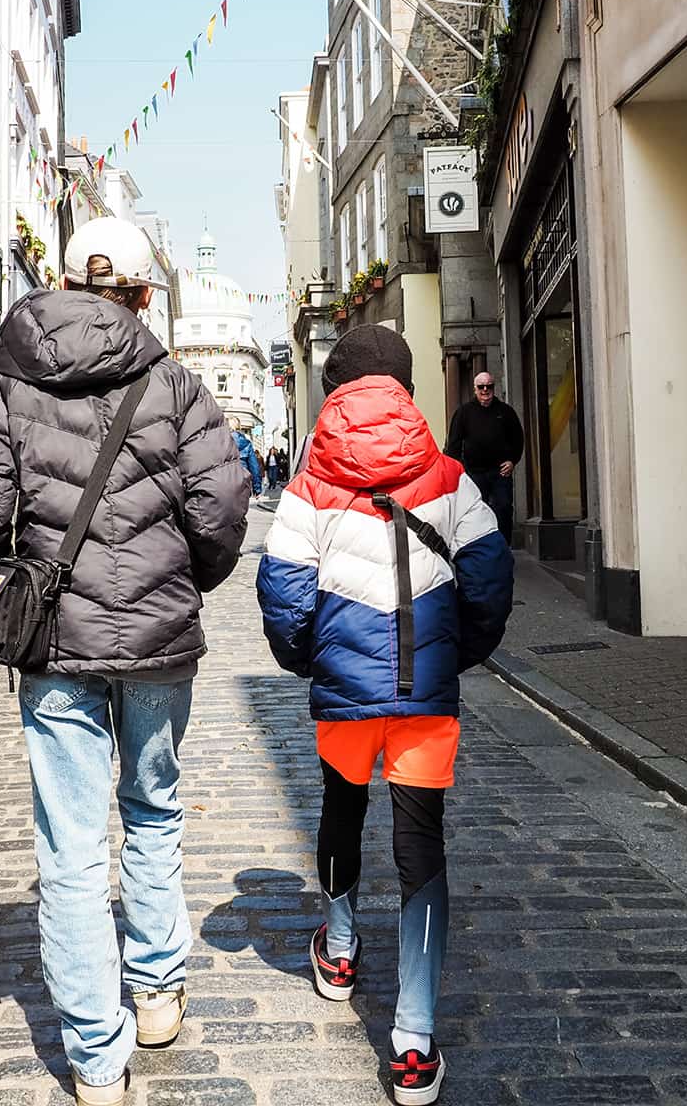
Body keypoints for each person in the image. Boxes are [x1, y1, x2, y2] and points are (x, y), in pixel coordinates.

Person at [0, 216, 249, 1106]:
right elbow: (223, 507)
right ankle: (156, 994)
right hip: (158, 643)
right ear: (143, 295)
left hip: (57, 646)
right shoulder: (177, 385)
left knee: (72, 847)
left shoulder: (9, 387)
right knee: (153, 812)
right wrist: (185, 580)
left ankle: (95, 1058)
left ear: (67, 283)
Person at [257, 324, 512, 1106]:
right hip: (425, 693)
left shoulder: (310, 482)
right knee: (420, 843)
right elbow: (490, 579)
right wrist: (454, 656)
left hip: (345, 690)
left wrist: (312, 660)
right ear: (406, 387)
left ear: (334, 392)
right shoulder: (450, 476)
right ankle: (413, 1041)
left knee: (340, 808)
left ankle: (338, 949)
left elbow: (282, 591)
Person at [443, 371, 522, 537]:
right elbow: (454, 444)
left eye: (489, 386)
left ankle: (504, 545)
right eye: (481, 387)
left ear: (494, 388)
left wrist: (512, 461)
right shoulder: (464, 412)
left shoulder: (506, 411)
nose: (485, 390)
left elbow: (518, 439)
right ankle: (482, 545)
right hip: (474, 472)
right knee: (476, 512)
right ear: (475, 389)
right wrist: (458, 471)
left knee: (504, 508)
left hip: (500, 472)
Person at [234, 426, 264, 496]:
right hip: (243, 483)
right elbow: (254, 467)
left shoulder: (220, 443)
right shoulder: (246, 443)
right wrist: (257, 488)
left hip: (224, 484)